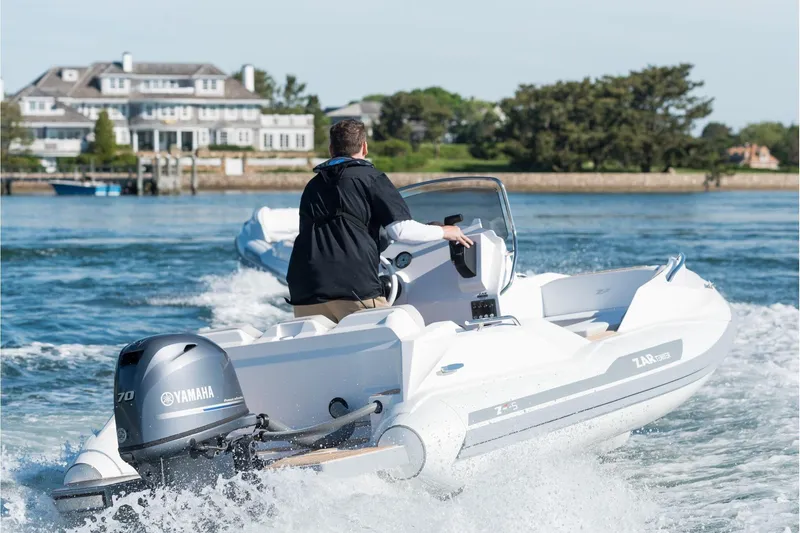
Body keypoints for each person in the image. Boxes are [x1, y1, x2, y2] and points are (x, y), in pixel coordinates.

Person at [287, 119, 473, 323]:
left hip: (305, 288)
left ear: (331, 149)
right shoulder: (371, 178)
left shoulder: (313, 186)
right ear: (364, 147)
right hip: (353, 289)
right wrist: (446, 231)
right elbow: (401, 231)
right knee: (399, 334)